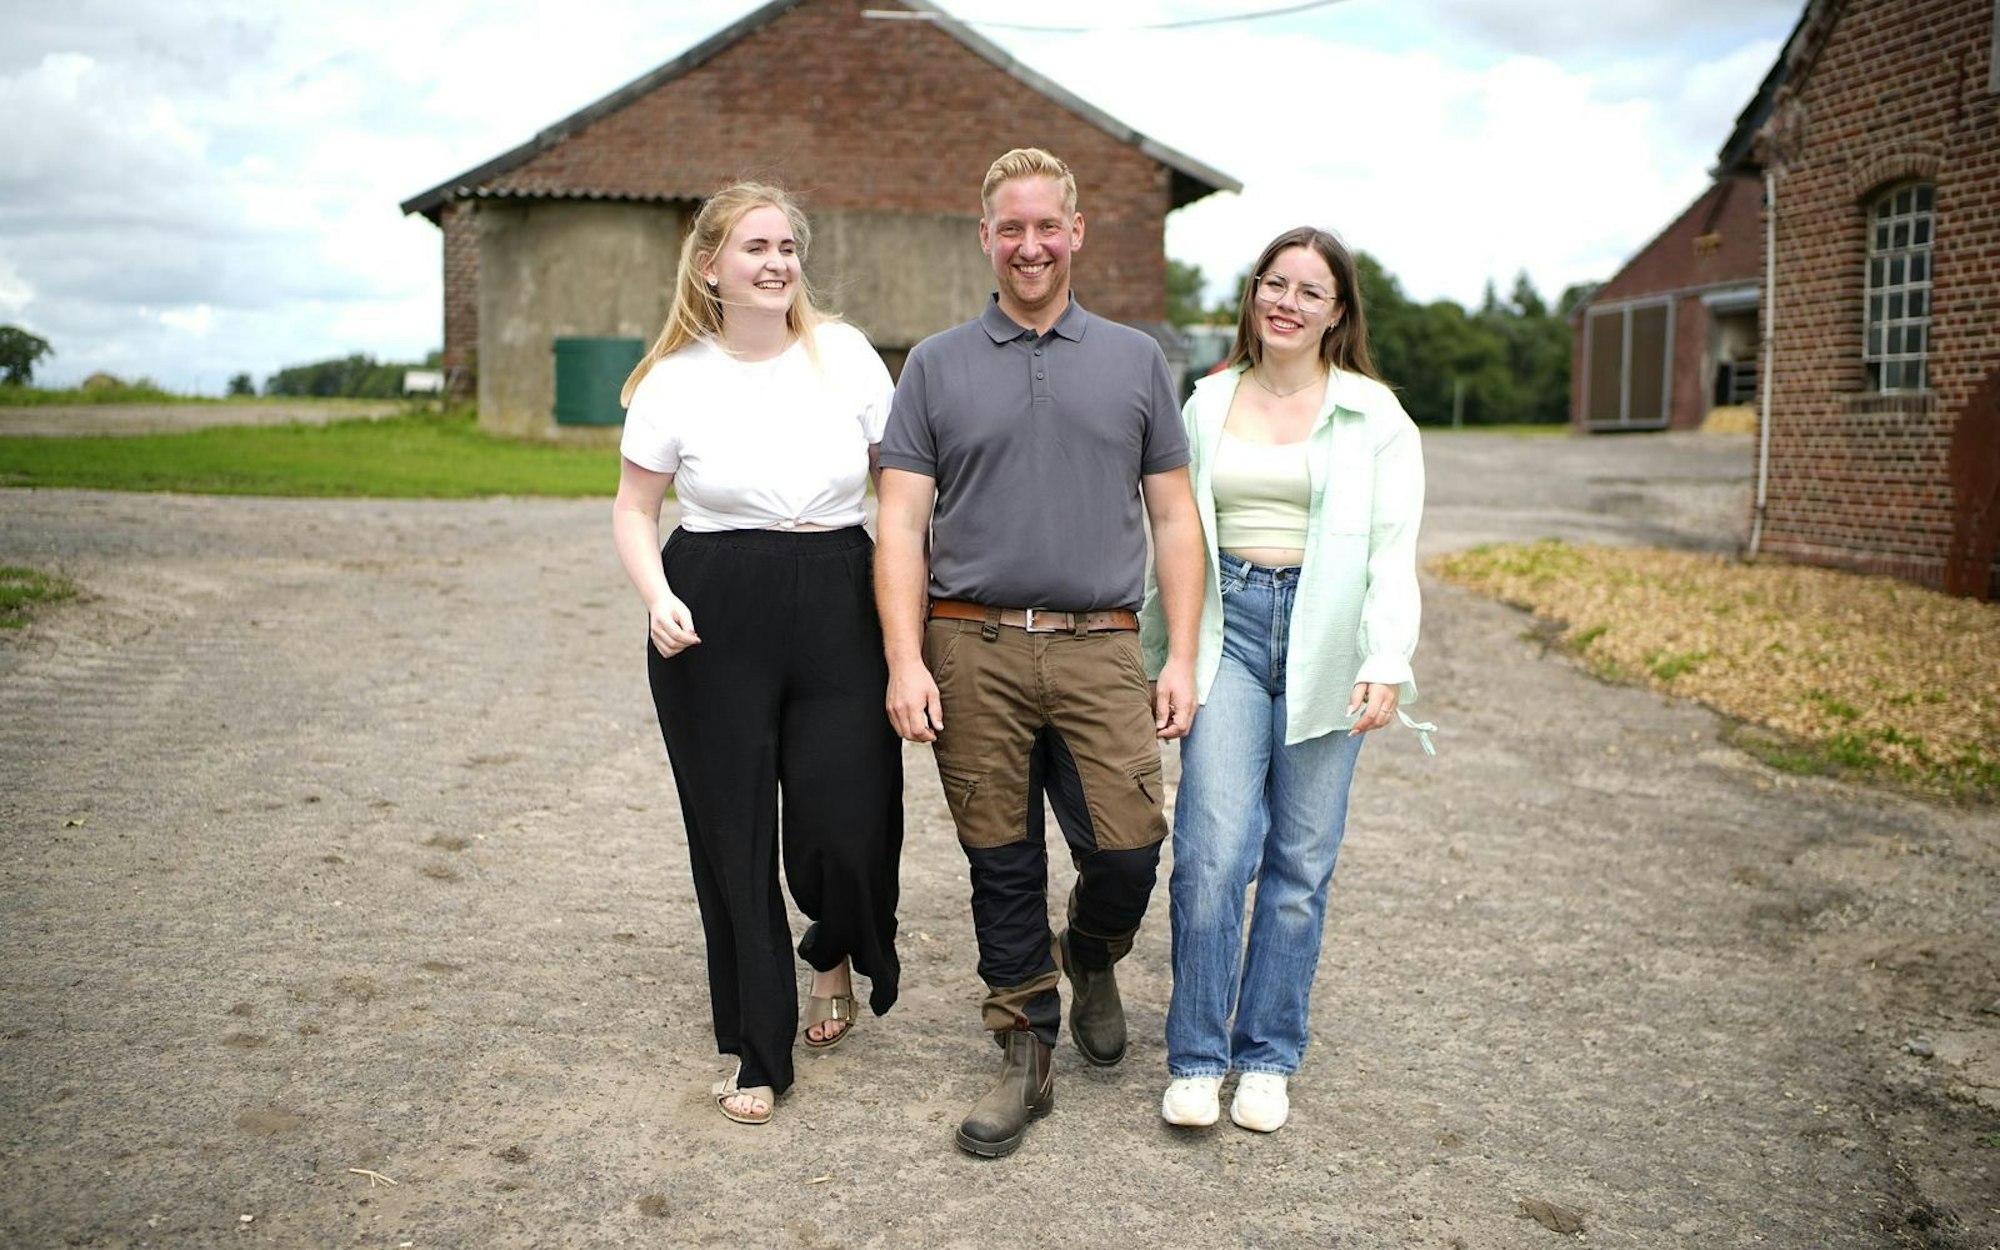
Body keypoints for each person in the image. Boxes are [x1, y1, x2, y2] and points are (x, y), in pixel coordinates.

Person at [875, 147, 1205, 1159]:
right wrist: (903, 659)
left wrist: (1180, 653)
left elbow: (1175, 519)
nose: (1028, 244)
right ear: (985, 236)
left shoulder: (1137, 358)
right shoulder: (933, 363)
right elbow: (898, 522)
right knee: (998, 856)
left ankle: (1093, 950)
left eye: (1044, 226)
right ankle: (1023, 1048)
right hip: (969, 641)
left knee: (1127, 843)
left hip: (1101, 642)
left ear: (1075, 233)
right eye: (1007, 227)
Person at [610, 182, 903, 1127]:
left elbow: (900, 493)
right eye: (754, 247)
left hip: (836, 591)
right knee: (731, 837)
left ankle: (834, 947)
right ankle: (756, 1047)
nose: (777, 262)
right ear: (711, 266)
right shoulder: (674, 379)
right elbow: (633, 509)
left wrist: (910, 634)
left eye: (787, 246)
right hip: (714, 602)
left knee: (846, 818)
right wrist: (658, 597)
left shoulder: (847, 355)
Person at [1143, 226, 1432, 1135]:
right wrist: (1169, 654)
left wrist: (1386, 659)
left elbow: (1393, 550)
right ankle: (1197, 1057)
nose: (1288, 302)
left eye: (1311, 291)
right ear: (1252, 295)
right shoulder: (1206, 400)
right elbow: (1172, 530)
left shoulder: (1375, 416)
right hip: (1226, 624)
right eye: (1275, 283)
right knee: (1213, 851)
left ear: (1338, 311)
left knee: (1300, 863)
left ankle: (1267, 1056)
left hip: (1328, 638)